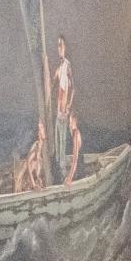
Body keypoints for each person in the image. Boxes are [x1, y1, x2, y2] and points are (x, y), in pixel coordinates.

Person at [52, 35, 83, 185]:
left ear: (66, 47)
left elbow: (73, 88)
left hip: (64, 113)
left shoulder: (68, 66)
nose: (60, 48)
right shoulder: (59, 67)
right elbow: (53, 86)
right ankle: (58, 175)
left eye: (62, 45)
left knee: (63, 145)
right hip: (58, 113)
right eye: (58, 46)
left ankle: (65, 177)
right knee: (58, 146)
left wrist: (68, 106)